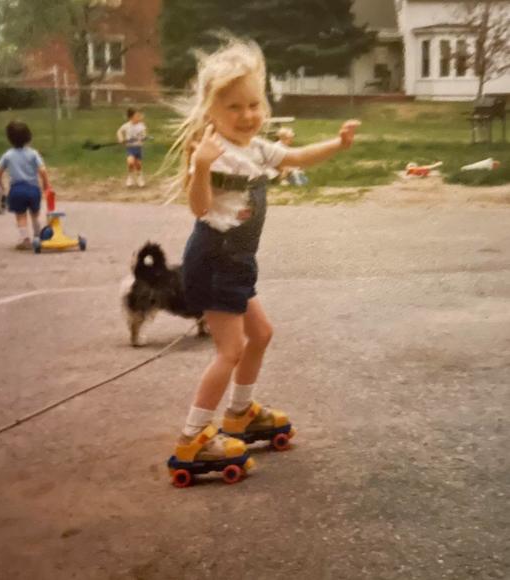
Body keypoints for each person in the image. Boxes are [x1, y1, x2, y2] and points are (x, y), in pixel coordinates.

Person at [171, 37, 360, 469]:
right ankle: (192, 437)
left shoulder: (255, 148)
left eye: (254, 105)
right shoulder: (213, 154)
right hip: (215, 260)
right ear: (212, 111)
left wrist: (338, 144)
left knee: (261, 334)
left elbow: (295, 156)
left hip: (237, 262)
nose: (247, 115)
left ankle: (239, 414)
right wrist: (201, 166)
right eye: (234, 107)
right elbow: (200, 208)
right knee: (230, 350)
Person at [0, 121, 50, 250]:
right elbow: (42, 170)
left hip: (16, 190)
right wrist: (46, 184)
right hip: (33, 189)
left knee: (21, 215)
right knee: (35, 214)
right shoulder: (33, 153)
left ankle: (25, 240)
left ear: (9, 139)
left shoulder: (8, 155)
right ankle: (38, 236)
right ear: (29, 136)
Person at [117, 107, 147, 187]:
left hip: (138, 147)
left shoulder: (141, 125)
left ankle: (139, 176)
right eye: (136, 116)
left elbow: (144, 134)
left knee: (138, 164)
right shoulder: (126, 125)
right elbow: (119, 131)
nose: (138, 117)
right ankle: (130, 177)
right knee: (130, 162)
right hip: (130, 148)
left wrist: (143, 137)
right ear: (131, 117)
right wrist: (121, 139)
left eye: (139, 116)